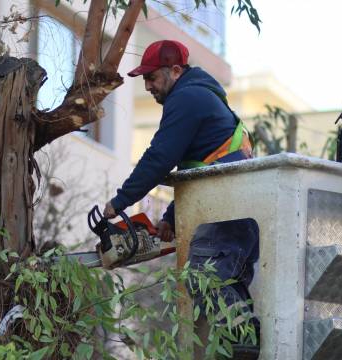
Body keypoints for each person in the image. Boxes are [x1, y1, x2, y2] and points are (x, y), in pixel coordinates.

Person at [102, 40, 260, 357]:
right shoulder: (197, 97)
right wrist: (170, 219)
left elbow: (160, 156)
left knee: (206, 273)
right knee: (209, 277)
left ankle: (245, 344)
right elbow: (196, 170)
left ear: (175, 70)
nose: (147, 85)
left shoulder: (187, 98)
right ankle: (239, 345)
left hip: (229, 203)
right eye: (144, 79)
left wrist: (119, 202)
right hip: (227, 199)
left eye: (152, 77)